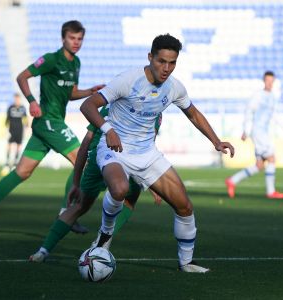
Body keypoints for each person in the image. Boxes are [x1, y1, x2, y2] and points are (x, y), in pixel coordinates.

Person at [80, 34, 234, 273]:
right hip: (115, 150)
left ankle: (186, 263)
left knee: (184, 207)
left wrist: (216, 141)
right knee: (119, 189)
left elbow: (193, 113)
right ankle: (105, 236)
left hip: (147, 154)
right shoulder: (128, 80)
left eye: (172, 63)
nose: (166, 68)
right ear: (150, 57)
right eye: (162, 61)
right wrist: (107, 129)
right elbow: (87, 105)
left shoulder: (174, 87)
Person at [0, 20, 104, 237]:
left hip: (49, 125)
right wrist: (32, 101)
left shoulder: (76, 63)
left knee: (23, 171)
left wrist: (90, 90)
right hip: (49, 121)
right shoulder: (51, 59)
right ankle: (66, 215)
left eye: (80, 39)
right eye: (72, 38)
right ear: (63, 38)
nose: (76, 42)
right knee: (82, 160)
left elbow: (70, 93)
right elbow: (22, 76)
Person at [28, 106, 163, 262]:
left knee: (79, 206)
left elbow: (87, 141)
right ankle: (103, 241)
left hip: (95, 159)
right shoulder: (153, 107)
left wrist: (76, 182)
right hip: (123, 158)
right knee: (129, 199)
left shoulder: (108, 102)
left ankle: (43, 251)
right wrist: (152, 182)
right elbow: (147, 146)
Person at [225, 71, 283, 199]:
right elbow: (248, 112)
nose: (269, 83)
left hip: (264, 132)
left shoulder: (273, 97)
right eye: (267, 80)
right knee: (272, 158)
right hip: (258, 132)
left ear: (274, 82)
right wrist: (245, 130)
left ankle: (232, 181)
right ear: (264, 81)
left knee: (259, 165)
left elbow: (274, 116)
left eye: (271, 81)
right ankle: (271, 192)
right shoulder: (258, 96)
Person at [0, 93, 28, 177]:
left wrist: (27, 129)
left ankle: (15, 164)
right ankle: (7, 164)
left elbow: (25, 120)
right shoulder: (11, 108)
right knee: (9, 146)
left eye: (18, 99)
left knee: (18, 147)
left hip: (19, 131)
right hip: (11, 130)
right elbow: (7, 119)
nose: (17, 100)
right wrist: (6, 129)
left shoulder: (22, 108)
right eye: (15, 99)